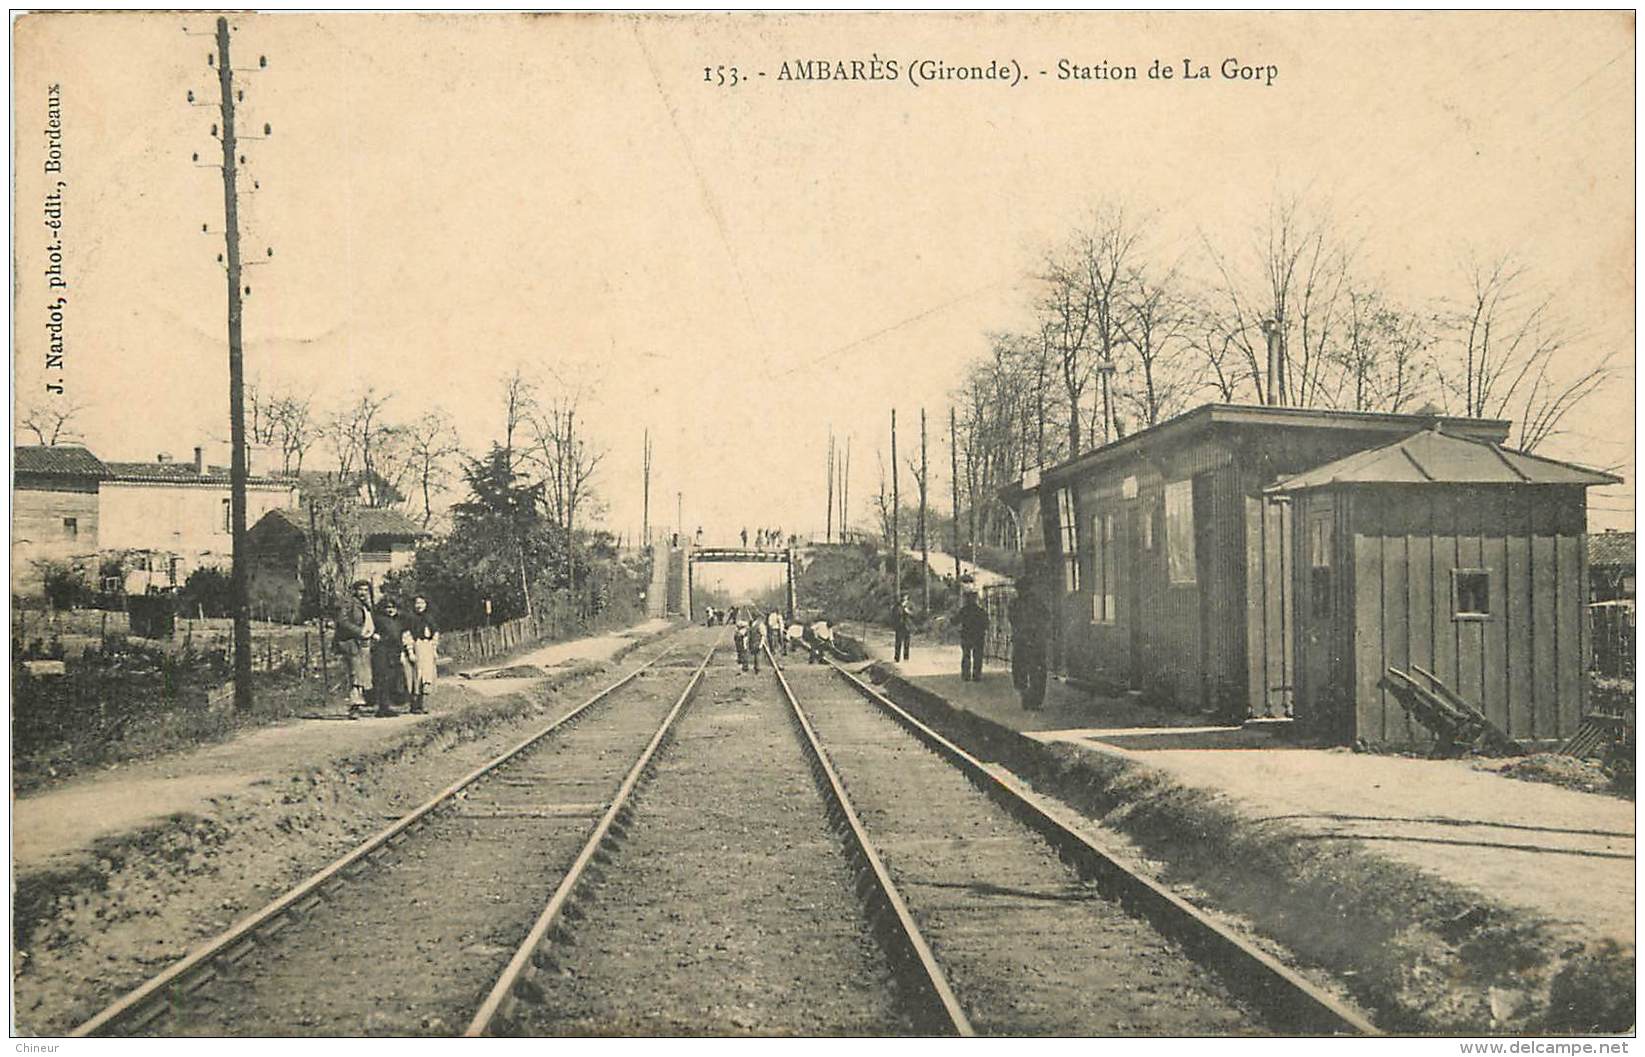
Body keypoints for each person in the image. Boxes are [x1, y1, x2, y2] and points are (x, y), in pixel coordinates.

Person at [333, 580, 376, 719]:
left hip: (365, 643)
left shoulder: (367, 606)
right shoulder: (349, 603)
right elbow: (342, 621)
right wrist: (359, 632)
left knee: (363, 674)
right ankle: (354, 706)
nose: (363, 592)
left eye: (365, 590)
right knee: (355, 673)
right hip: (351, 642)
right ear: (355, 591)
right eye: (360, 590)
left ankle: (359, 704)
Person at [1010, 575, 1050, 711]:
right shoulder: (1036, 602)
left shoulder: (1016, 604)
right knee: (1033, 672)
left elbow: (1012, 620)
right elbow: (1046, 617)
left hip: (1026, 641)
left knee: (1025, 671)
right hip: (1033, 642)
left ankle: (1029, 700)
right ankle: (1032, 700)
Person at [371, 597, 411, 716]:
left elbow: (402, 635)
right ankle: (383, 707)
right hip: (382, 650)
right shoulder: (378, 619)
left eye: (393, 607)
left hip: (395, 651)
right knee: (383, 677)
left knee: (393, 678)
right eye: (387, 607)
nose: (390, 610)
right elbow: (371, 630)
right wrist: (375, 636)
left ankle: (389, 705)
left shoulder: (399, 621)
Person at [405, 594, 439, 715]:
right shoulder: (411, 618)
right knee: (417, 675)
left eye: (422, 603)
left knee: (428, 674)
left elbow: (435, 633)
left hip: (428, 646)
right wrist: (410, 651)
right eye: (417, 603)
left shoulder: (430, 618)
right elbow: (407, 636)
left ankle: (424, 703)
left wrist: (434, 649)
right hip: (417, 645)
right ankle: (414, 705)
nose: (419, 606)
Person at [958, 591, 989, 682]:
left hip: (966, 635)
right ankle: (976, 676)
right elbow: (986, 623)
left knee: (966, 655)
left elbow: (955, 621)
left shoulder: (964, 610)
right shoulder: (980, 611)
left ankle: (966, 675)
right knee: (978, 656)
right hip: (978, 636)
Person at [891, 594, 914, 662]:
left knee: (907, 643)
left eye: (906, 596)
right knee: (898, 643)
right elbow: (894, 615)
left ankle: (906, 657)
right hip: (899, 626)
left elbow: (914, 614)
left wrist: (908, 611)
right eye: (903, 596)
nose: (904, 598)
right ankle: (897, 658)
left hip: (907, 626)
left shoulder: (910, 605)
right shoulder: (897, 606)